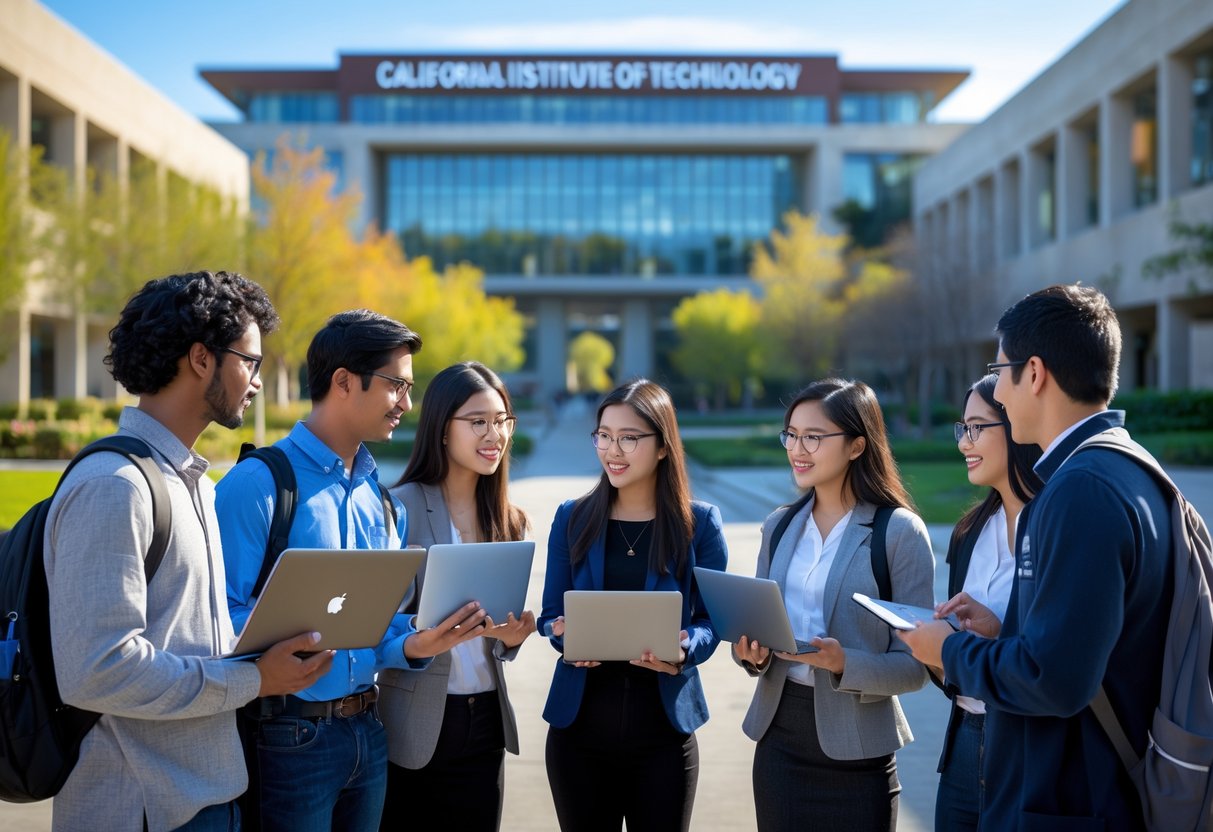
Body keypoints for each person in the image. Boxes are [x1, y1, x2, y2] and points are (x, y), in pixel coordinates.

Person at [45, 271, 334, 832]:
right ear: (202, 358)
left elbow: (187, 634)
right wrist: (255, 681)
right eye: (249, 361)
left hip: (206, 792)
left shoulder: (196, 482)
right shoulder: (116, 486)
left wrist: (265, 646)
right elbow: (96, 670)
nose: (256, 381)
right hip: (141, 804)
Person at [900, 284, 1173, 830]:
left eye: (1000, 372)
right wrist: (1004, 632)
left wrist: (950, 651)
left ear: (1036, 373)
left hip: (1065, 797)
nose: (997, 392)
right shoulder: (1130, 468)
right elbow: (1083, 649)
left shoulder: (1081, 489)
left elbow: (1054, 680)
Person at [216, 310, 488, 832]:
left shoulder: (382, 502)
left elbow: (377, 627)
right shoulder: (257, 484)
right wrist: (271, 653)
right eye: (396, 386)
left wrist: (416, 641)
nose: (407, 404)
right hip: (287, 737)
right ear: (343, 381)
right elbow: (211, 618)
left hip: (369, 730)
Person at [731, 378, 935, 832]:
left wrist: (844, 663)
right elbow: (758, 625)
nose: (797, 449)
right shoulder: (779, 526)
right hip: (779, 741)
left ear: (857, 445)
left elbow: (917, 666)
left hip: (859, 751)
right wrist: (750, 654)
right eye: (791, 434)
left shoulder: (899, 533)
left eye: (814, 437)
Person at [538, 379, 728, 832]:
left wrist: (685, 650)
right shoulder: (572, 517)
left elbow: (713, 622)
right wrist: (560, 635)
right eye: (603, 435)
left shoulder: (698, 523)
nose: (612, 450)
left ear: (663, 446)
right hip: (578, 733)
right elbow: (548, 616)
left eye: (629, 437)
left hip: (664, 734)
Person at [380, 361, 536, 831]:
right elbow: (378, 621)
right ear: (442, 428)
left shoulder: (510, 520)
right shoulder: (398, 506)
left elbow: (497, 633)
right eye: (478, 422)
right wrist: (419, 639)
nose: (494, 435)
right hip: (418, 721)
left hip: (485, 719)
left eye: (502, 421)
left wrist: (513, 637)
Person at [932, 374, 1042, 832]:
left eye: (977, 428)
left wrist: (998, 631)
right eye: (962, 428)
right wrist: (934, 650)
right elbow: (953, 666)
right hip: (963, 741)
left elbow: (1061, 655)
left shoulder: (1058, 522)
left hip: (1029, 749)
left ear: (1016, 427)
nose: (964, 443)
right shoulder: (969, 532)